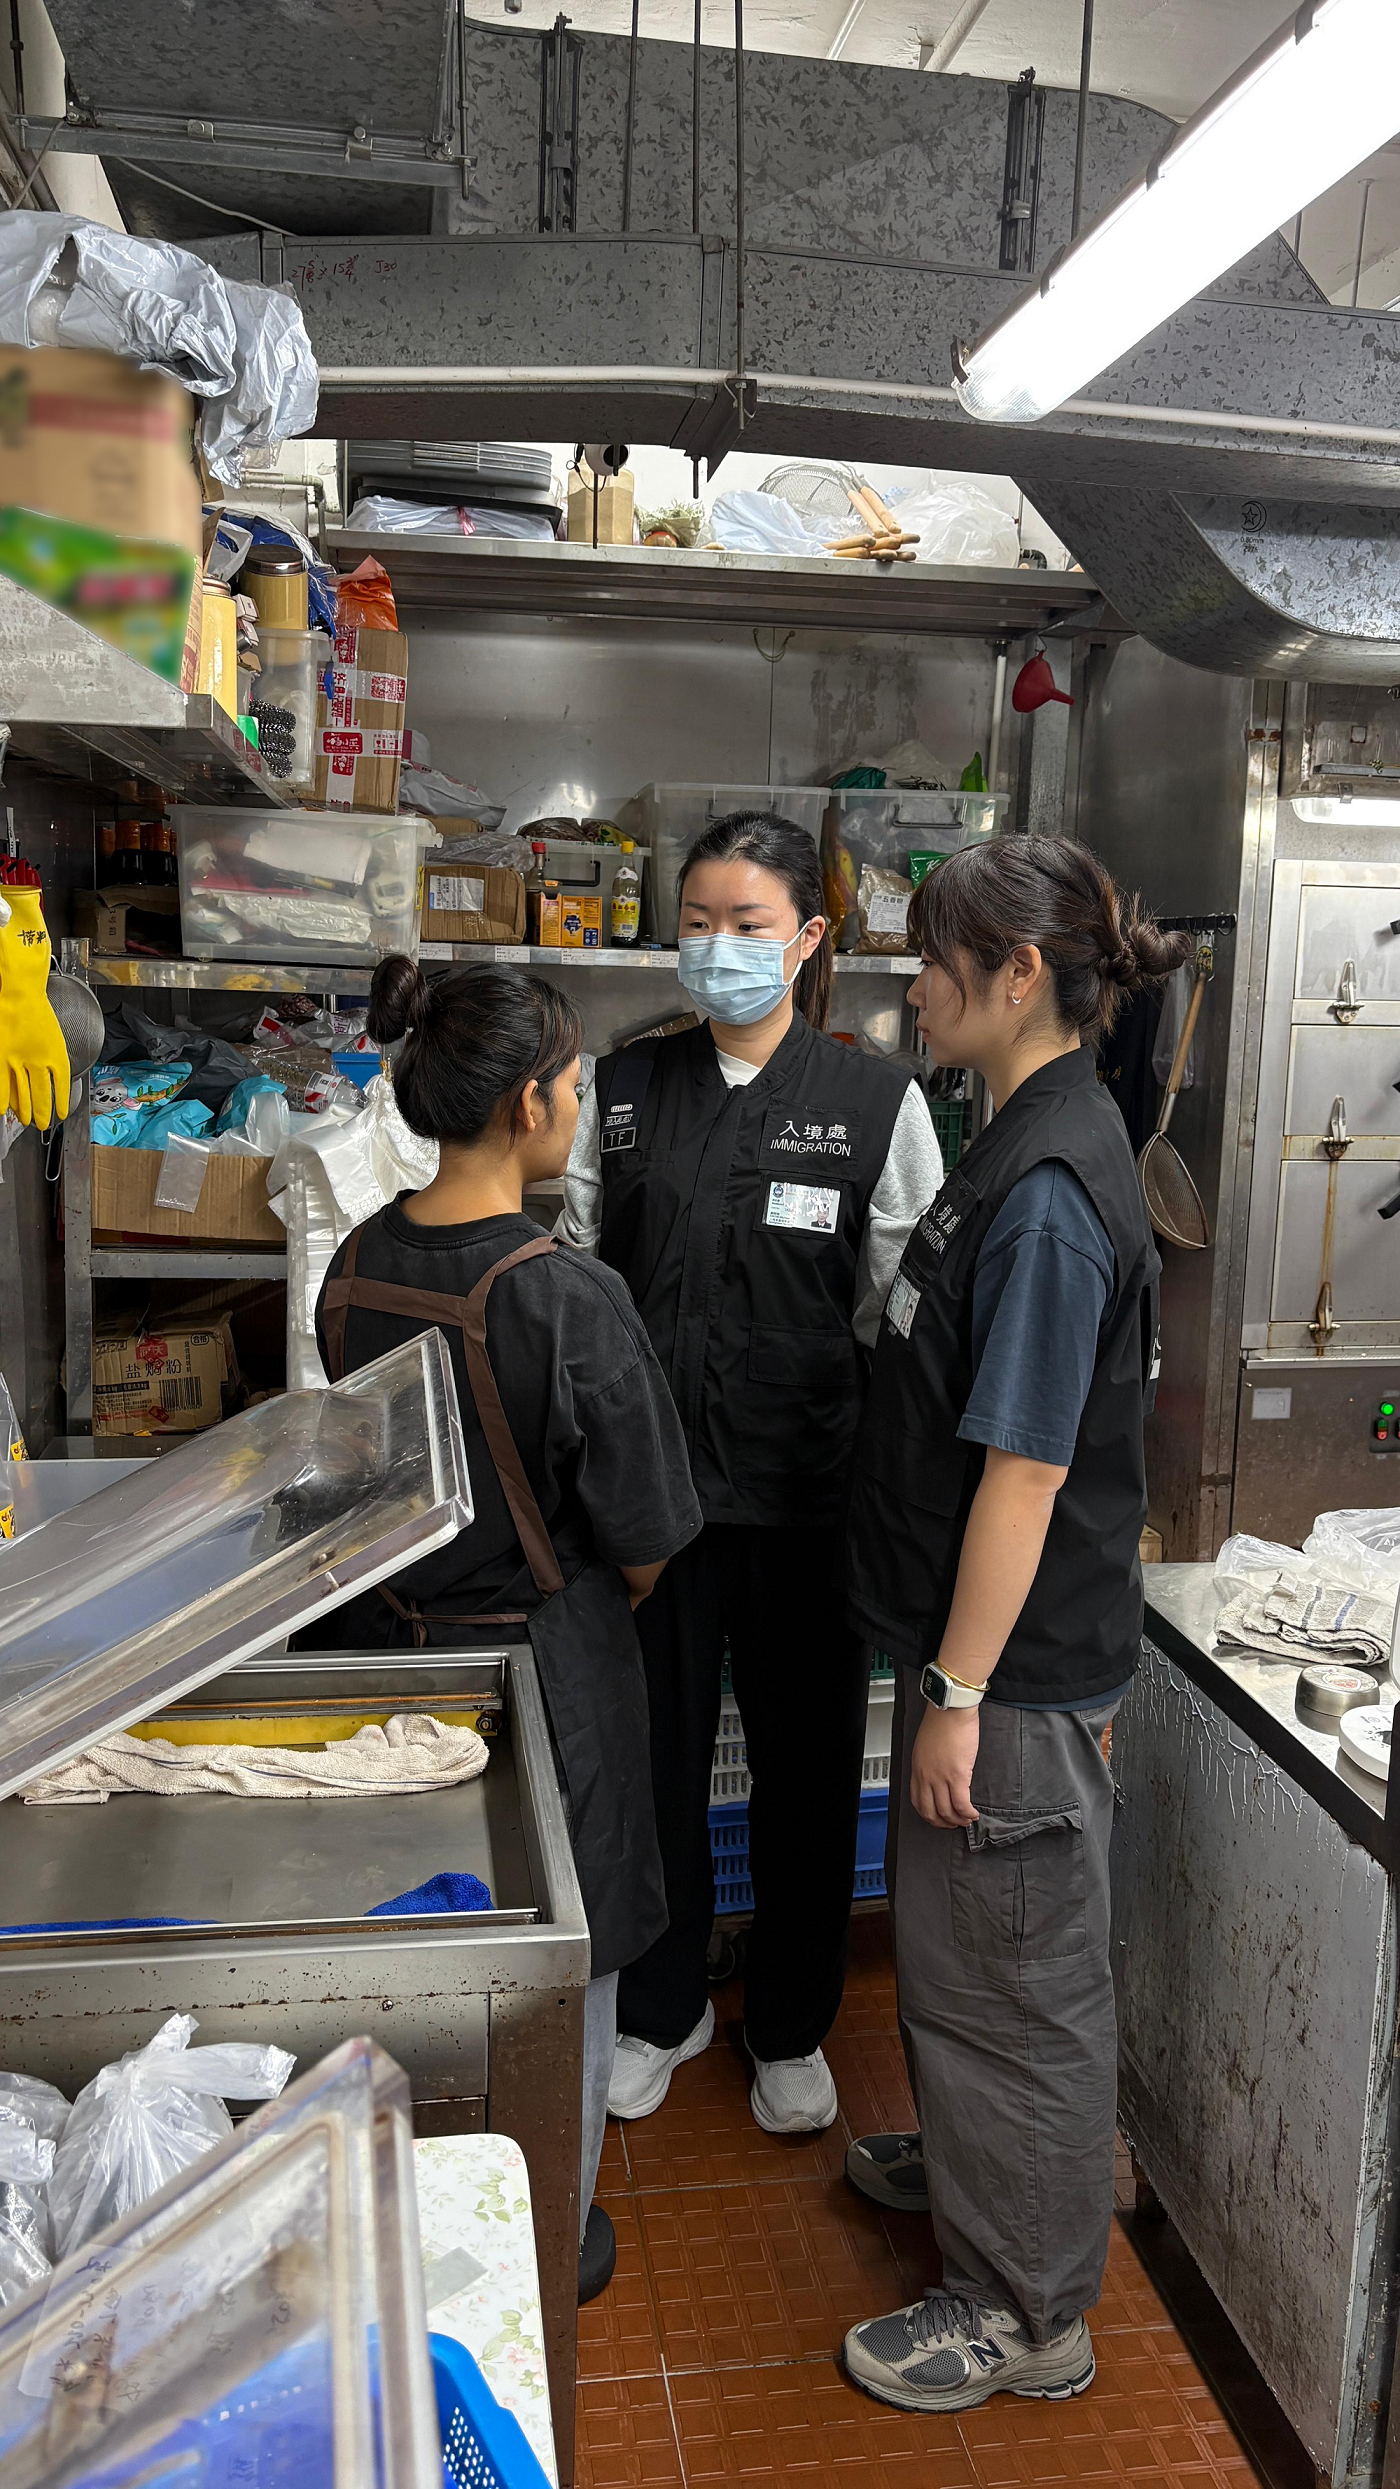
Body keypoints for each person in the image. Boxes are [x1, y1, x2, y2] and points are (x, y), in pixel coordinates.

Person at [839, 834, 1189, 2413]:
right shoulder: (1023, 1129)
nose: (914, 987)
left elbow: (1027, 1475)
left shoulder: (1046, 1188)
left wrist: (962, 1691)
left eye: (932, 959)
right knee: (977, 1964)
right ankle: (989, 2173)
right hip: (982, 1651)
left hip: (1015, 1670)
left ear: (1020, 976)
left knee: (1020, 1992)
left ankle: (1027, 2308)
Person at [304, 957, 702, 2303]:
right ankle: (542, 2226)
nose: (582, 1108)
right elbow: (646, 1544)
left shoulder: (354, 1269)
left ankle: (412, 2202)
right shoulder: (567, 1296)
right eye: (579, 1087)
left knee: (421, 1944)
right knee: (560, 1963)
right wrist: (581, 1602)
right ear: (532, 1104)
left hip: (386, 1664)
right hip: (545, 1681)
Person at [557, 810, 944, 2136]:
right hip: (652, 1507)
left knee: (808, 1765)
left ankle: (790, 2021)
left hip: (809, 1501)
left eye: (751, 926)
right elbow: (571, 1285)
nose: (720, 949)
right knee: (653, 1763)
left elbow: (904, 1310)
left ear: (809, 939)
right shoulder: (621, 1091)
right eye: (702, 924)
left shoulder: (875, 1104)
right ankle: (664, 2008)